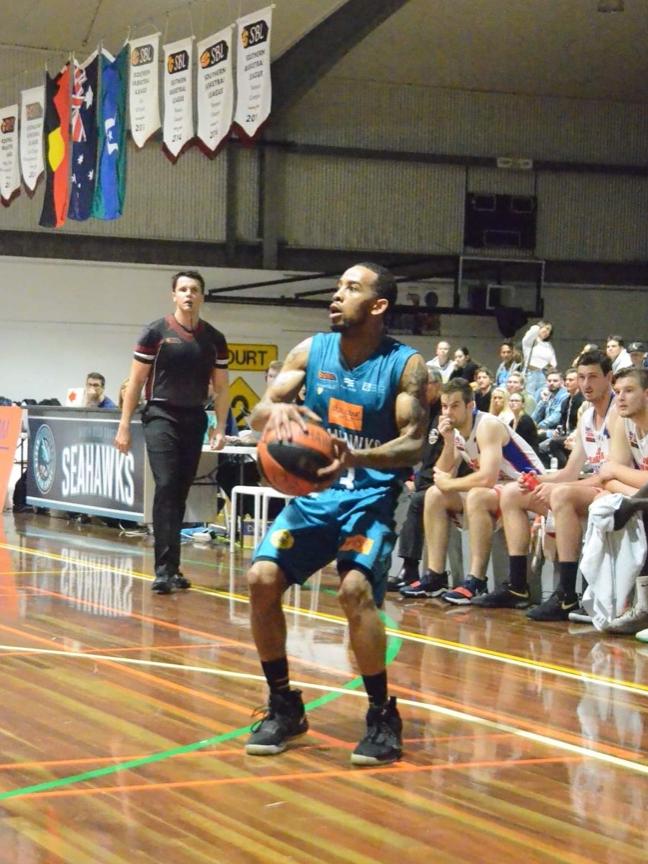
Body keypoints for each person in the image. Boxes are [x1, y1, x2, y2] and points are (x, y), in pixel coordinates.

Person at [243, 262, 428, 765]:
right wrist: (274, 414)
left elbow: (414, 444)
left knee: (355, 591)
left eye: (351, 288)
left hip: (369, 496)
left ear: (378, 305)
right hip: (313, 499)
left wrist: (357, 457)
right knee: (260, 579)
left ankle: (382, 714)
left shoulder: (407, 366)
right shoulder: (311, 350)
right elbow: (260, 412)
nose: (336, 295)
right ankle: (284, 706)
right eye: (337, 285)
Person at [473, 350, 616, 617]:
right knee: (513, 492)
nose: (586, 384)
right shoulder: (586, 418)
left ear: (609, 378)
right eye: (582, 377)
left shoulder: (618, 413)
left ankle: (567, 595)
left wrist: (558, 487)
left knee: (561, 495)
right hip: (593, 486)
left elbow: (611, 475)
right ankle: (517, 586)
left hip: (614, 491)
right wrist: (537, 479)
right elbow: (570, 471)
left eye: (593, 377)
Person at [114, 270, 230, 594]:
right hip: (160, 415)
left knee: (179, 490)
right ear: (174, 296)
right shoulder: (155, 332)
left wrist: (220, 427)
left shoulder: (214, 339)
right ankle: (163, 571)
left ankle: (173, 568)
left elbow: (222, 387)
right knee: (166, 485)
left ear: (202, 296)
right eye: (183, 289)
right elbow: (136, 382)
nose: (189, 295)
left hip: (194, 418)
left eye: (194, 289)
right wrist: (124, 425)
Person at [401, 378, 543, 604]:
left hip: (529, 488)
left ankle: (476, 579)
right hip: (500, 491)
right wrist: (448, 442)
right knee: (434, 495)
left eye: (455, 406)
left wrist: (450, 483)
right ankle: (435, 576)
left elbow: (487, 477)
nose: (448, 412)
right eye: (445, 406)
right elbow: (440, 471)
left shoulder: (487, 425)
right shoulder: (456, 432)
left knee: (476, 494)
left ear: (470, 405)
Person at [545, 367, 583, 469]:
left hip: (577, 435)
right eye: (566, 380)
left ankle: (567, 469)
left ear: (579, 382)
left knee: (554, 443)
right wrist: (557, 430)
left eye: (571, 380)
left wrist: (572, 435)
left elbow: (581, 424)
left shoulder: (583, 400)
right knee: (542, 445)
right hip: (565, 434)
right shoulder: (565, 401)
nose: (567, 382)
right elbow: (562, 422)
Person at [522, 320, 556, 400]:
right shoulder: (530, 341)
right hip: (531, 373)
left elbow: (553, 362)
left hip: (543, 375)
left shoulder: (548, 345)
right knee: (529, 399)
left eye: (549, 331)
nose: (547, 332)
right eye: (546, 328)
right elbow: (533, 330)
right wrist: (539, 327)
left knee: (542, 398)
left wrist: (549, 368)